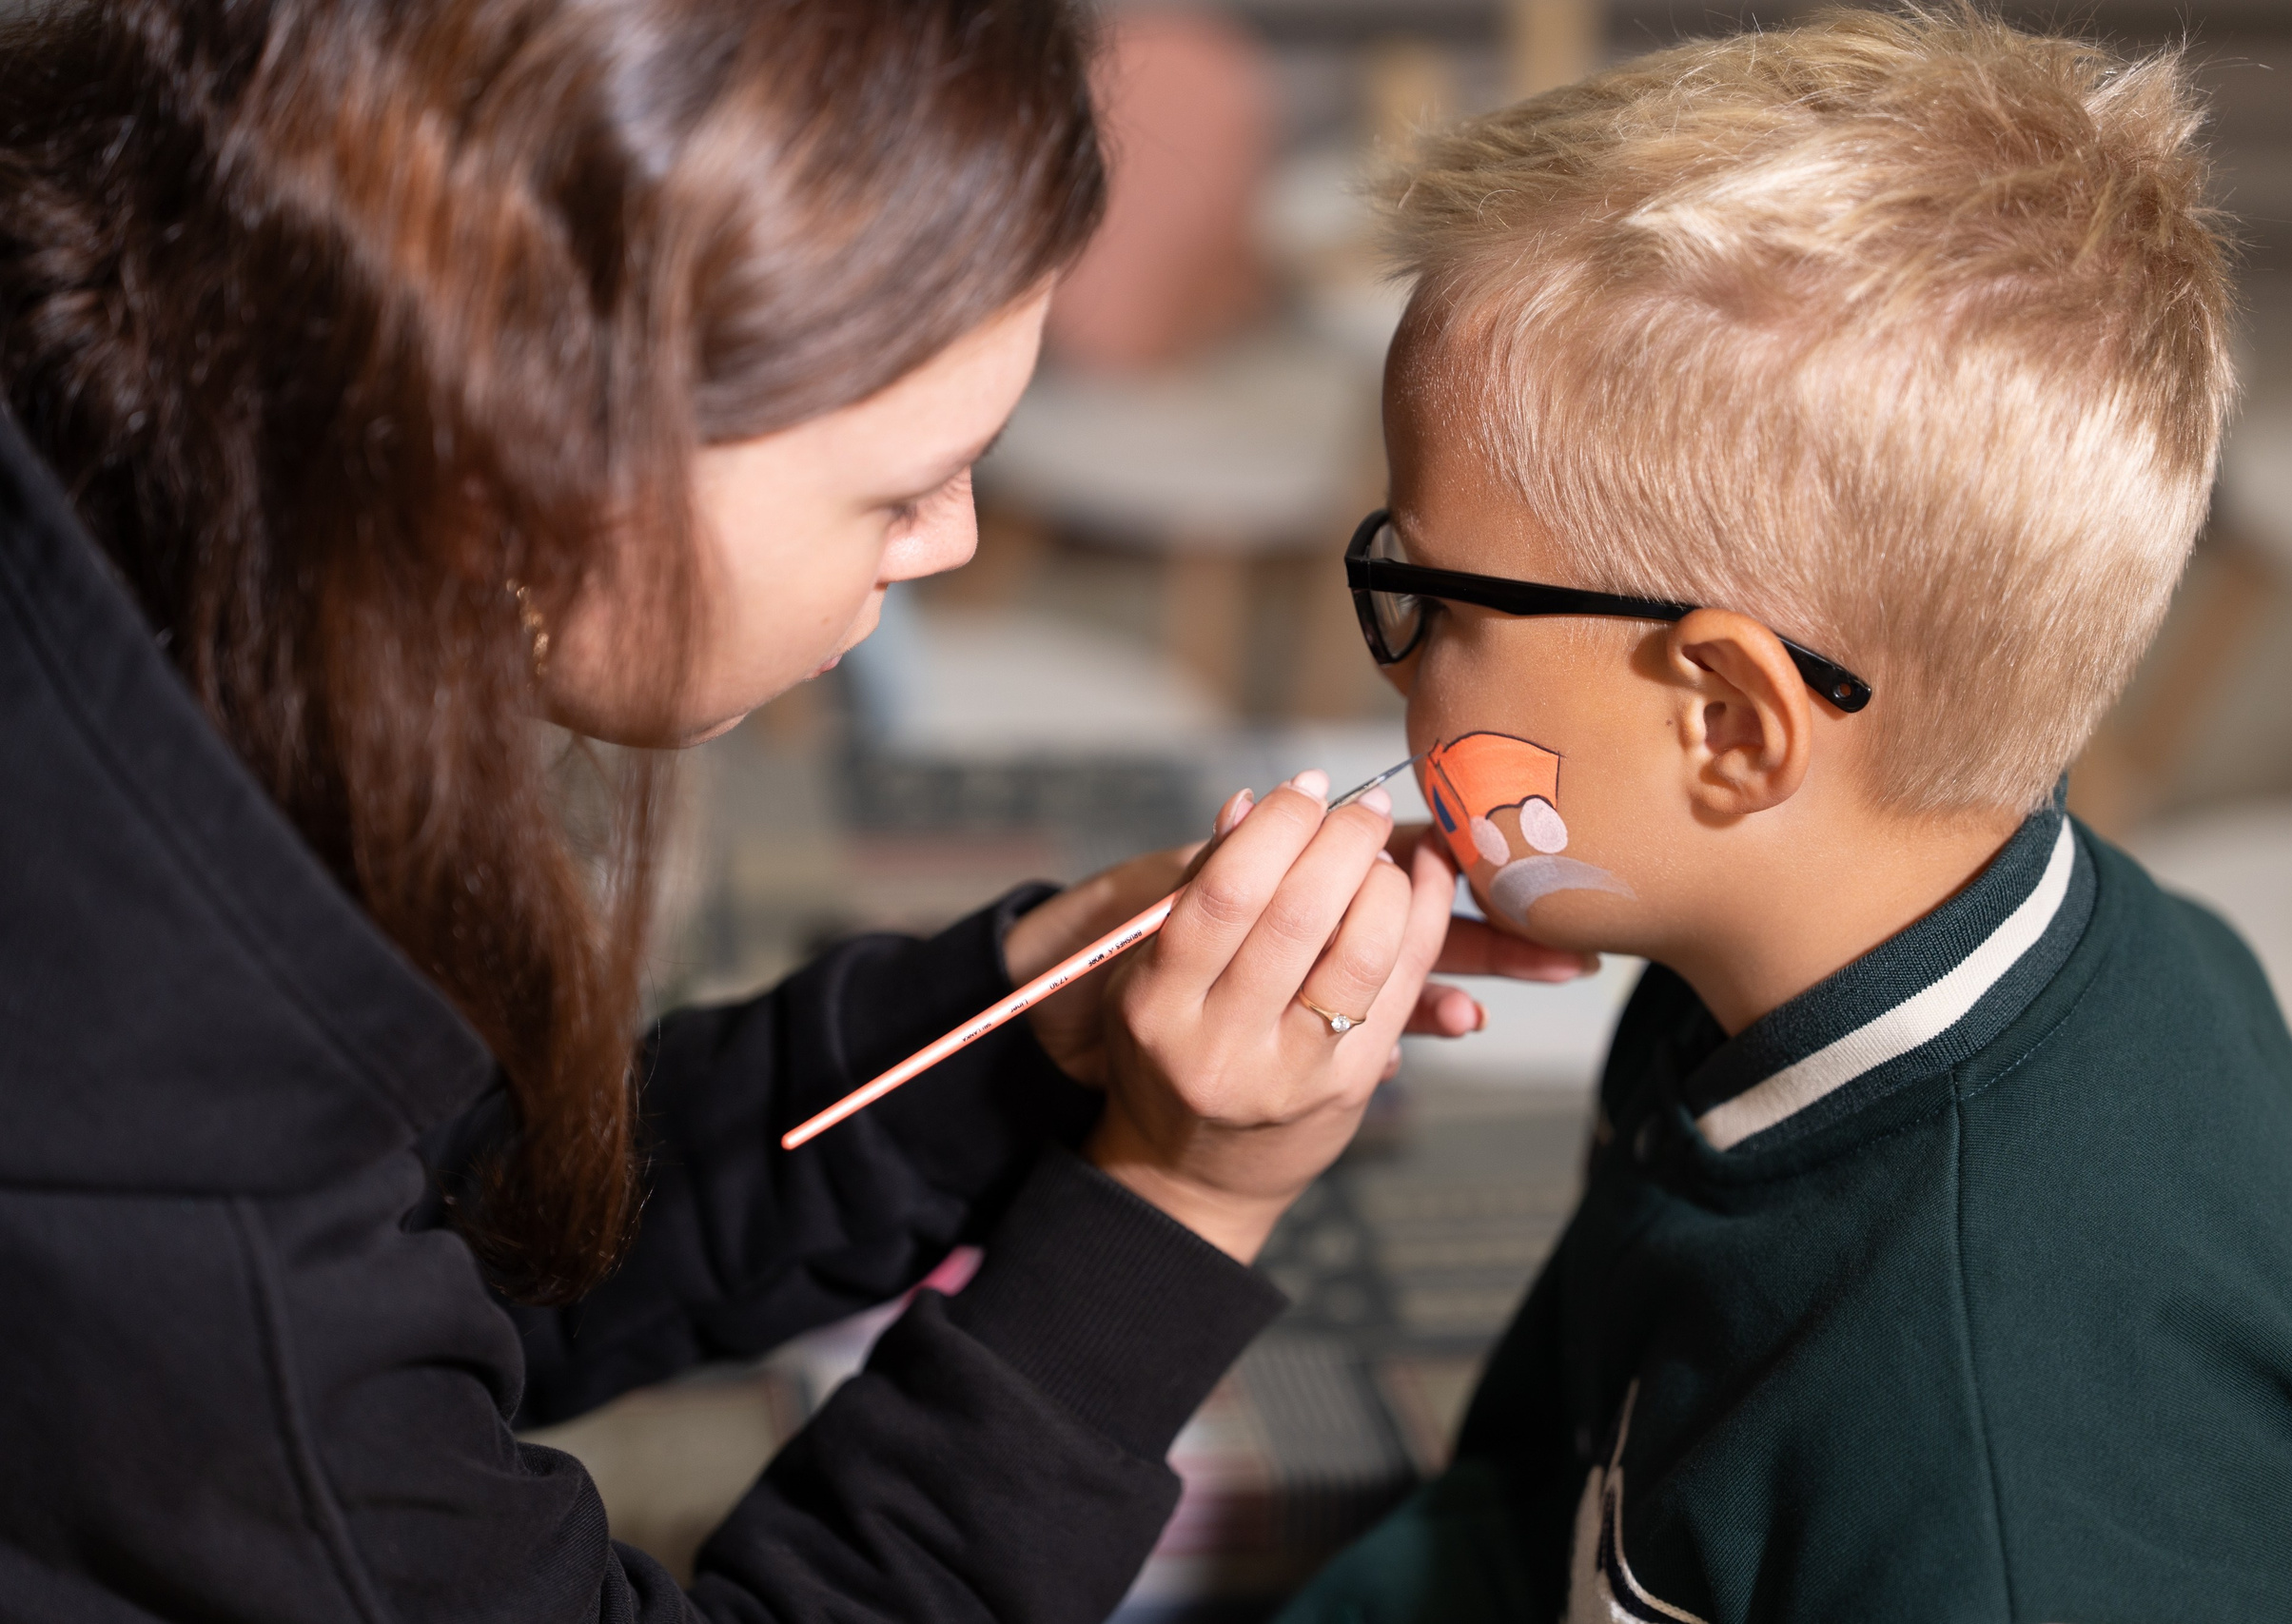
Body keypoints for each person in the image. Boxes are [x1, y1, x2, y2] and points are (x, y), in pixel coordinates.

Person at [0, 2, 1592, 1620]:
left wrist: (1009, 1021)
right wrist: (1176, 1205)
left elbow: (448, 1222)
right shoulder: (172, 1179)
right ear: (511, 463)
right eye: (897, 487)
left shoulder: (151, 562)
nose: (953, 542)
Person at [1282, 10, 2292, 1622]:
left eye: (1420, 593)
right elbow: (1550, 1472)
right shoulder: (1759, 966)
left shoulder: (2001, 1498)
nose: (1393, 660)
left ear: (1733, 728)